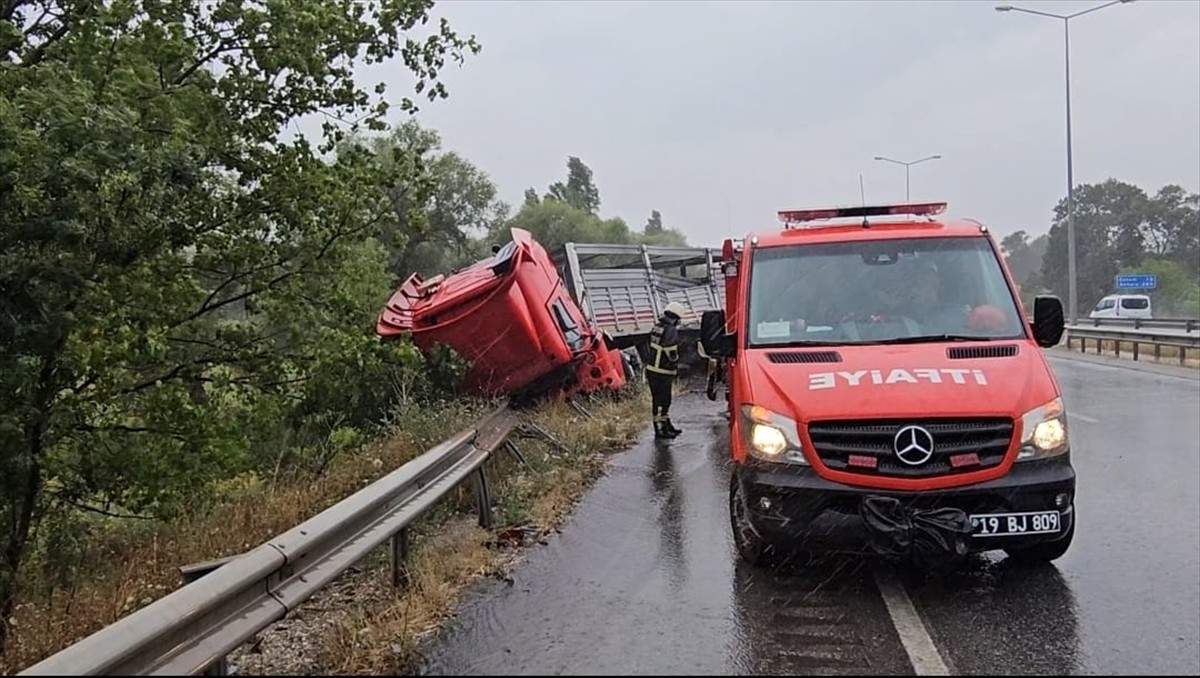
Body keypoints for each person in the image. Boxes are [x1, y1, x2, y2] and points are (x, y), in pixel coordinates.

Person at [646, 301, 686, 439]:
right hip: (661, 371)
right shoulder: (670, 330)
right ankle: (660, 430)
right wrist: (676, 363)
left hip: (654, 370)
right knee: (662, 401)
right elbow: (670, 350)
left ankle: (667, 426)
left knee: (663, 401)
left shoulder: (658, 326)